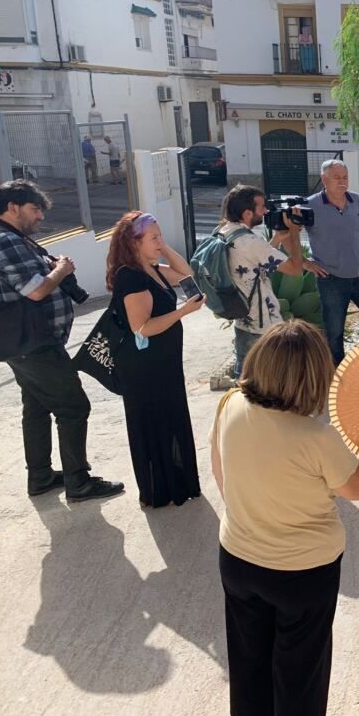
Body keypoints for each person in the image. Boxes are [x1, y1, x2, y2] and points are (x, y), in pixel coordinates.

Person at [211, 320, 359, 716]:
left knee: (248, 646)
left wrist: (251, 512)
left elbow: (219, 470)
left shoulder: (231, 402)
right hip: (303, 570)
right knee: (300, 665)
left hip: (238, 553)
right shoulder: (316, 435)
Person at [0, 180, 124, 501]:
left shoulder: (13, 239)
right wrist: (61, 270)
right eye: (35, 209)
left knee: (36, 406)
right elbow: (35, 290)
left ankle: (41, 476)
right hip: (33, 343)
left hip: (25, 342)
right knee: (74, 406)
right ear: (12, 207)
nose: (40, 217)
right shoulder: (5, 240)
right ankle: (79, 482)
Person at [107, 212, 205, 507]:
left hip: (164, 361)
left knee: (173, 419)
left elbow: (187, 275)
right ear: (134, 243)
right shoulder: (132, 278)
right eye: (153, 238)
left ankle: (180, 482)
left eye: (160, 235)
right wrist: (183, 312)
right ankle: (159, 490)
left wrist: (163, 246)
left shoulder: (153, 269)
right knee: (153, 424)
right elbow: (143, 328)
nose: (160, 242)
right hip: (143, 367)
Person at [217, 185, 306, 381]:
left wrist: (274, 241)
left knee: (245, 377)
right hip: (263, 323)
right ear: (247, 213)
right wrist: (294, 232)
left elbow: (252, 265)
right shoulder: (250, 241)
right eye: (262, 207)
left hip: (242, 318)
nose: (266, 211)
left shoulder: (224, 233)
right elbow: (295, 268)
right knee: (272, 381)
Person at [304, 159, 359, 365]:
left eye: (345, 177)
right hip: (331, 278)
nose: (342, 181)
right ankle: (337, 372)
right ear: (324, 179)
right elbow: (289, 233)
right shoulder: (310, 206)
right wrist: (304, 262)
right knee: (334, 330)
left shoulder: (357, 201)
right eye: (336, 177)